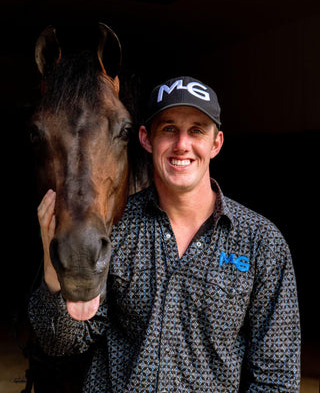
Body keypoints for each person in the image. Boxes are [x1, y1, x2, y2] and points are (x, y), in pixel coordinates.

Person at [29, 76, 301, 392]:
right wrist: (52, 271)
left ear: (216, 143)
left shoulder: (262, 243)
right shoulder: (116, 228)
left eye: (196, 130)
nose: (182, 144)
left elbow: (276, 379)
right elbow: (63, 342)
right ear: (146, 139)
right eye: (168, 129)